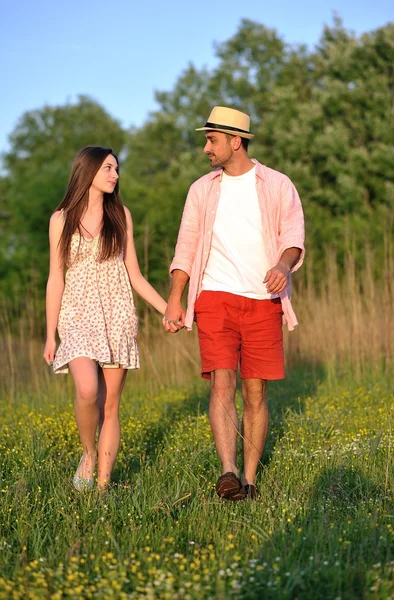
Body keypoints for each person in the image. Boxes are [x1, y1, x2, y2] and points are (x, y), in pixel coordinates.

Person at [163, 107, 305, 500]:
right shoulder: (201, 190)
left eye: (212, 139)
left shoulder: (277, 184)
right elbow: (186, 248)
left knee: (255, 392)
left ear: (235, 141)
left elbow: (294, 235)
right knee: (222, 382)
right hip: (214, 297)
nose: (206, 147)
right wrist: (176, 298)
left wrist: (282, 263)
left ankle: (251, 478)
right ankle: (227, 473)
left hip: (263, 300)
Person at [43, 145, 167, 491]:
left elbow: (136, 276)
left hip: (117, 313)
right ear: (89, 171)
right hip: (77, 314)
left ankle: (101, 488)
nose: (115, 175)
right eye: (109, 168)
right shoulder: (61, 219)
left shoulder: (120, 216)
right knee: (87, 389)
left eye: (116, 169)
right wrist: (50, 334)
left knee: (110, 405)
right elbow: (56, 277)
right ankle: (89, 452)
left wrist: (169, 309)